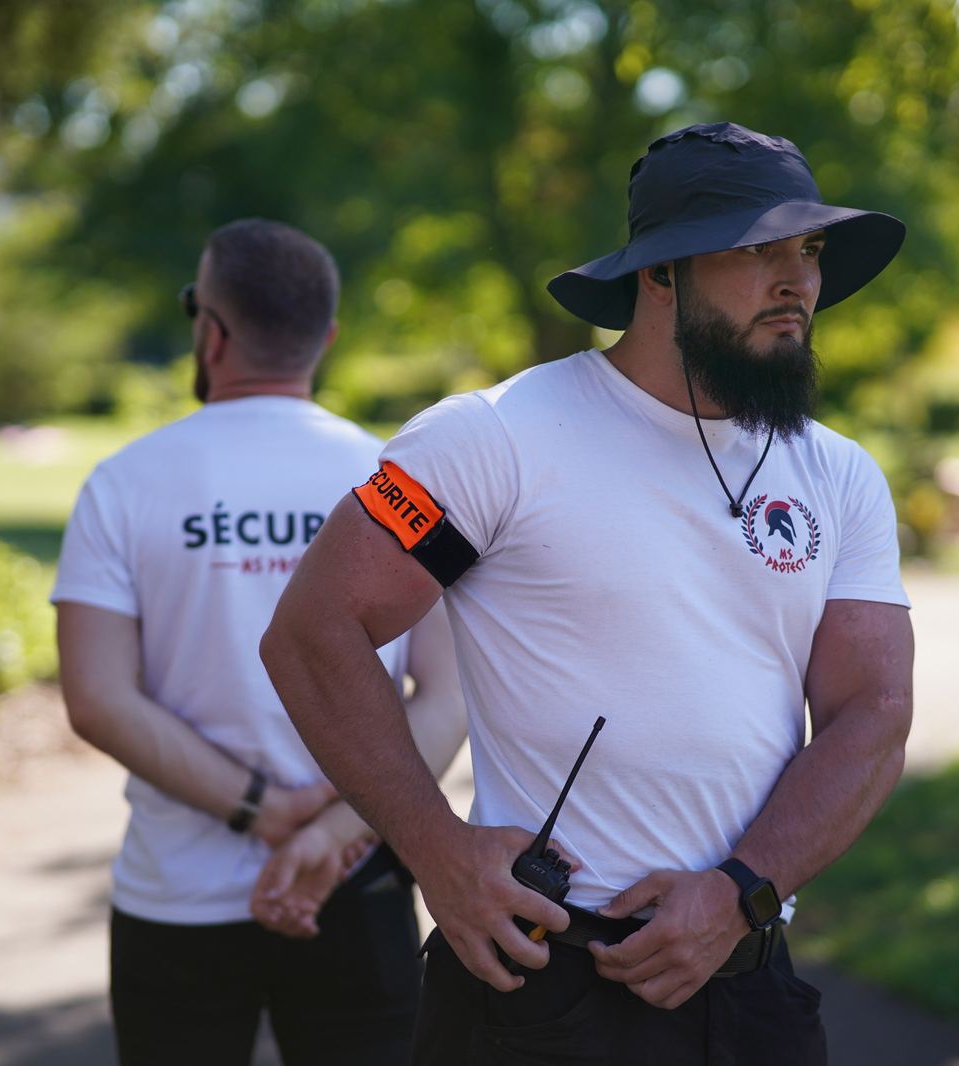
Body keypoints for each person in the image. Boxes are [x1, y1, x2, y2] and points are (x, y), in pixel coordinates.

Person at [261, 122, 915, 1065]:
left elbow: (873, 712)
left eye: (808, 249)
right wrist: (436, 850)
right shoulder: (495, 438)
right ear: (660, 274)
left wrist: (736, 893)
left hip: (747, 979)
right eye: (757, 249)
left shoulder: (840, 474)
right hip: (539, 992)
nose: (798, 280)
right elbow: (314, 630)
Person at [52, 218, 467, 1066]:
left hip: (177, 896)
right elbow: (453, 694)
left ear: (210, 329)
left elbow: (96, 698)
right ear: (328, 337)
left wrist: (261, 813)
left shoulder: (124, 482)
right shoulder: (396, 482)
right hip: (358, 880)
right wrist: (333, 832)